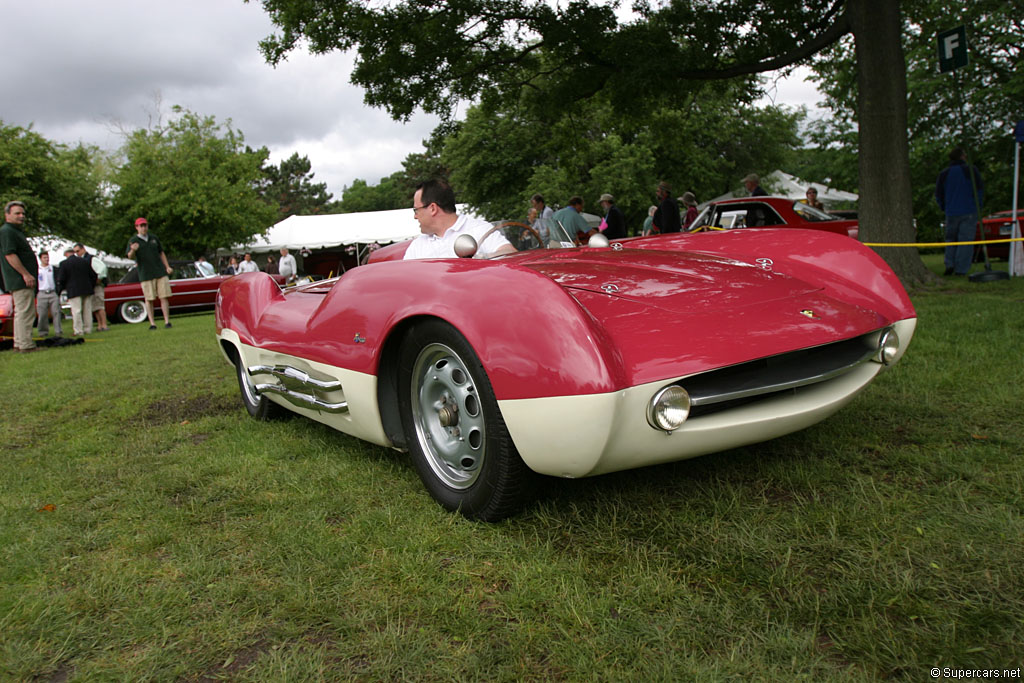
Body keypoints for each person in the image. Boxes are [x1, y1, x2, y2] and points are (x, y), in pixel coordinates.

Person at [404, 179, 516, 259]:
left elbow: (511, 254)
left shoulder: (479, 229)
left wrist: (482, 259)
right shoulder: (417, 246)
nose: (415, 216)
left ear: (433, 208)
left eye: (416, 210)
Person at [935, 147, 984, 276]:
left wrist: (944, 207)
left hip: (951, 211)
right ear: (962, 156)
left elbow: (938, 194)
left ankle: (950, 264)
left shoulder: (944, 174)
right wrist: (978, 205)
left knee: (951, 239)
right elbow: (979, 190)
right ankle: (961, 269)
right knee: (965, 241)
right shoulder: (970, 170)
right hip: (968, 210)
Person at [1, 201, 39, 352]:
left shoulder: (14, 231)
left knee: (21, 312)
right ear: (7, 215)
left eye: (23, 214)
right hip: (20, 280)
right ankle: (26, 345)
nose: (21, 216)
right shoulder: (7, 231)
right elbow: (10, 255)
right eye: (17, 213)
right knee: (26, 312)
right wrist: (25, 274)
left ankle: (19, 343)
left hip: (18, 279)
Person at [126, 217, 174, 329]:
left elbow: (161, 253)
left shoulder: (154, 238)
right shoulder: (133, 240)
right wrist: (133, 250)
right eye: (141, 226)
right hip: (145, 274)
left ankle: (167, 321)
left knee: (164, 297)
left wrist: (167, 266)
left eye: (145, 225)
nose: (143, 228)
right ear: (137, 227)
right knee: (149, 298)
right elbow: (130, 256)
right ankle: (152, 323)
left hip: (159, 272)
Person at [57, 244, 97, 336]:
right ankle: (88, 328)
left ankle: (79, 330)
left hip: (73, 290)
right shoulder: (84, 261)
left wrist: (61, 290)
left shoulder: (64, 264)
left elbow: (61, 279)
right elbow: (93, 275)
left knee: (76, 311)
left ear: (66, 254)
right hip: (87, 289)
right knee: (87, 310)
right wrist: (91, 286)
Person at [76, 243, 109, 331]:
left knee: (100, 305)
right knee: (95, 306)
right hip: (91, 286)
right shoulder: (82, 260)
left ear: (83, 249)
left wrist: (99, 278)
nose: (77, 253)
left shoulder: (91, 258)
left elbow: (102, 268)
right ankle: (99, 325)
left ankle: (104, 325)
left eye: (78, 251)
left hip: (97, 285)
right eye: (75, 252)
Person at [35, 250, 63, 338]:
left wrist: (58, 291)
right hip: (42, 293)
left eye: (47, 257)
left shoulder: (53, 268)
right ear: (40, 259)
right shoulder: (37, 270)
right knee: (42, 314)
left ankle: (58, 331)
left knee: (56, 312)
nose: (46, 259)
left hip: (52, 292)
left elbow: (59, 280)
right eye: (44, 258)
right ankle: (42, 331)